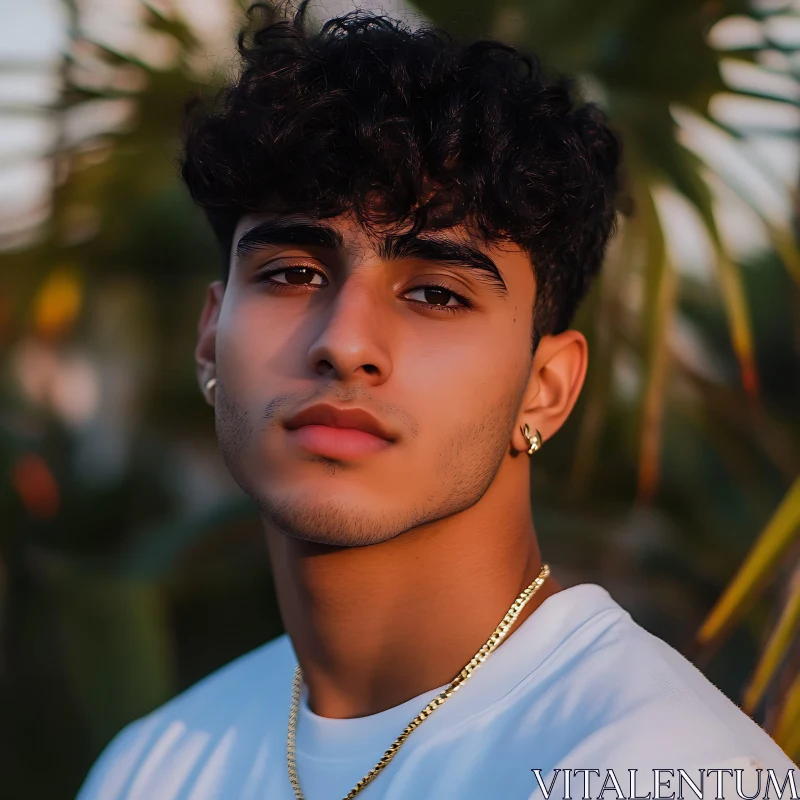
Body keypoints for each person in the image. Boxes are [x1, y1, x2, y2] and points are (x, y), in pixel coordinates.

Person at [76, 3, 797, 798]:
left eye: (436, 294)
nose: (345, 343)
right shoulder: (152, 767)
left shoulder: (656, 766)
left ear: (546, 388)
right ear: (212, 336)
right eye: (292, 274)